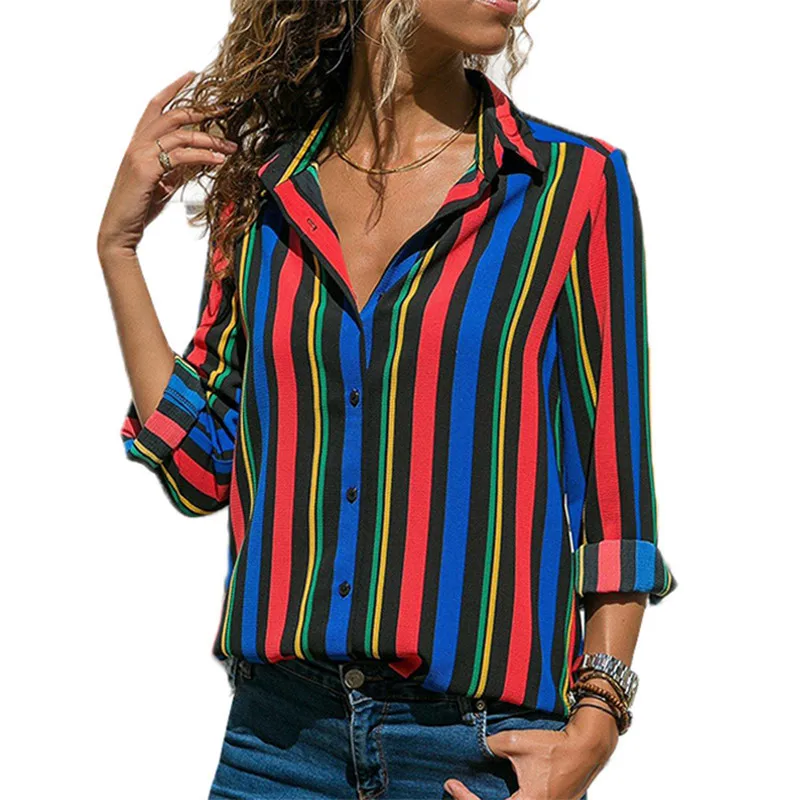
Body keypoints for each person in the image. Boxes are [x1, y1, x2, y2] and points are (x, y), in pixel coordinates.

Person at [97, 1, 678, 798]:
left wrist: (597, 722)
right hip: (276, 747)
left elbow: (615, 492)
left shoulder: (568, 188)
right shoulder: (264, 193)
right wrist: (120, 249)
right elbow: (202, 466)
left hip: (477, 750)